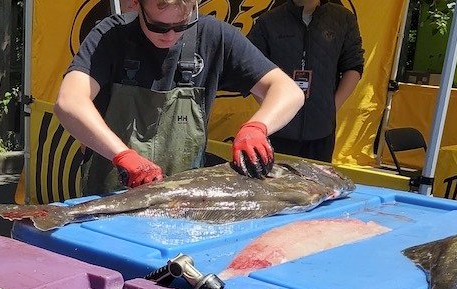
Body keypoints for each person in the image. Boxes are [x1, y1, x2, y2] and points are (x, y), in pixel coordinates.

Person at [54, 0, 304, 195]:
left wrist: (257, 127)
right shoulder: (109, 38)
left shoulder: (215, 37)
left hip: (184, 199)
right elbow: (69, 103)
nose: (171, 35)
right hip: (112, 199)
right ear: (136, 5)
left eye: (182, 24)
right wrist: (122, 155)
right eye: (158, 26)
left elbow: (288, 90)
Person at [248, 0, 364, 162]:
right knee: (276, 185)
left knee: (316, 187)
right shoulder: (269, 21)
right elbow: (251, 68)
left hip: (321, 134)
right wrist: (271, 110)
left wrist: (331, 108)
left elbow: (354, 66)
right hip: (278, 132)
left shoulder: (343, 19)